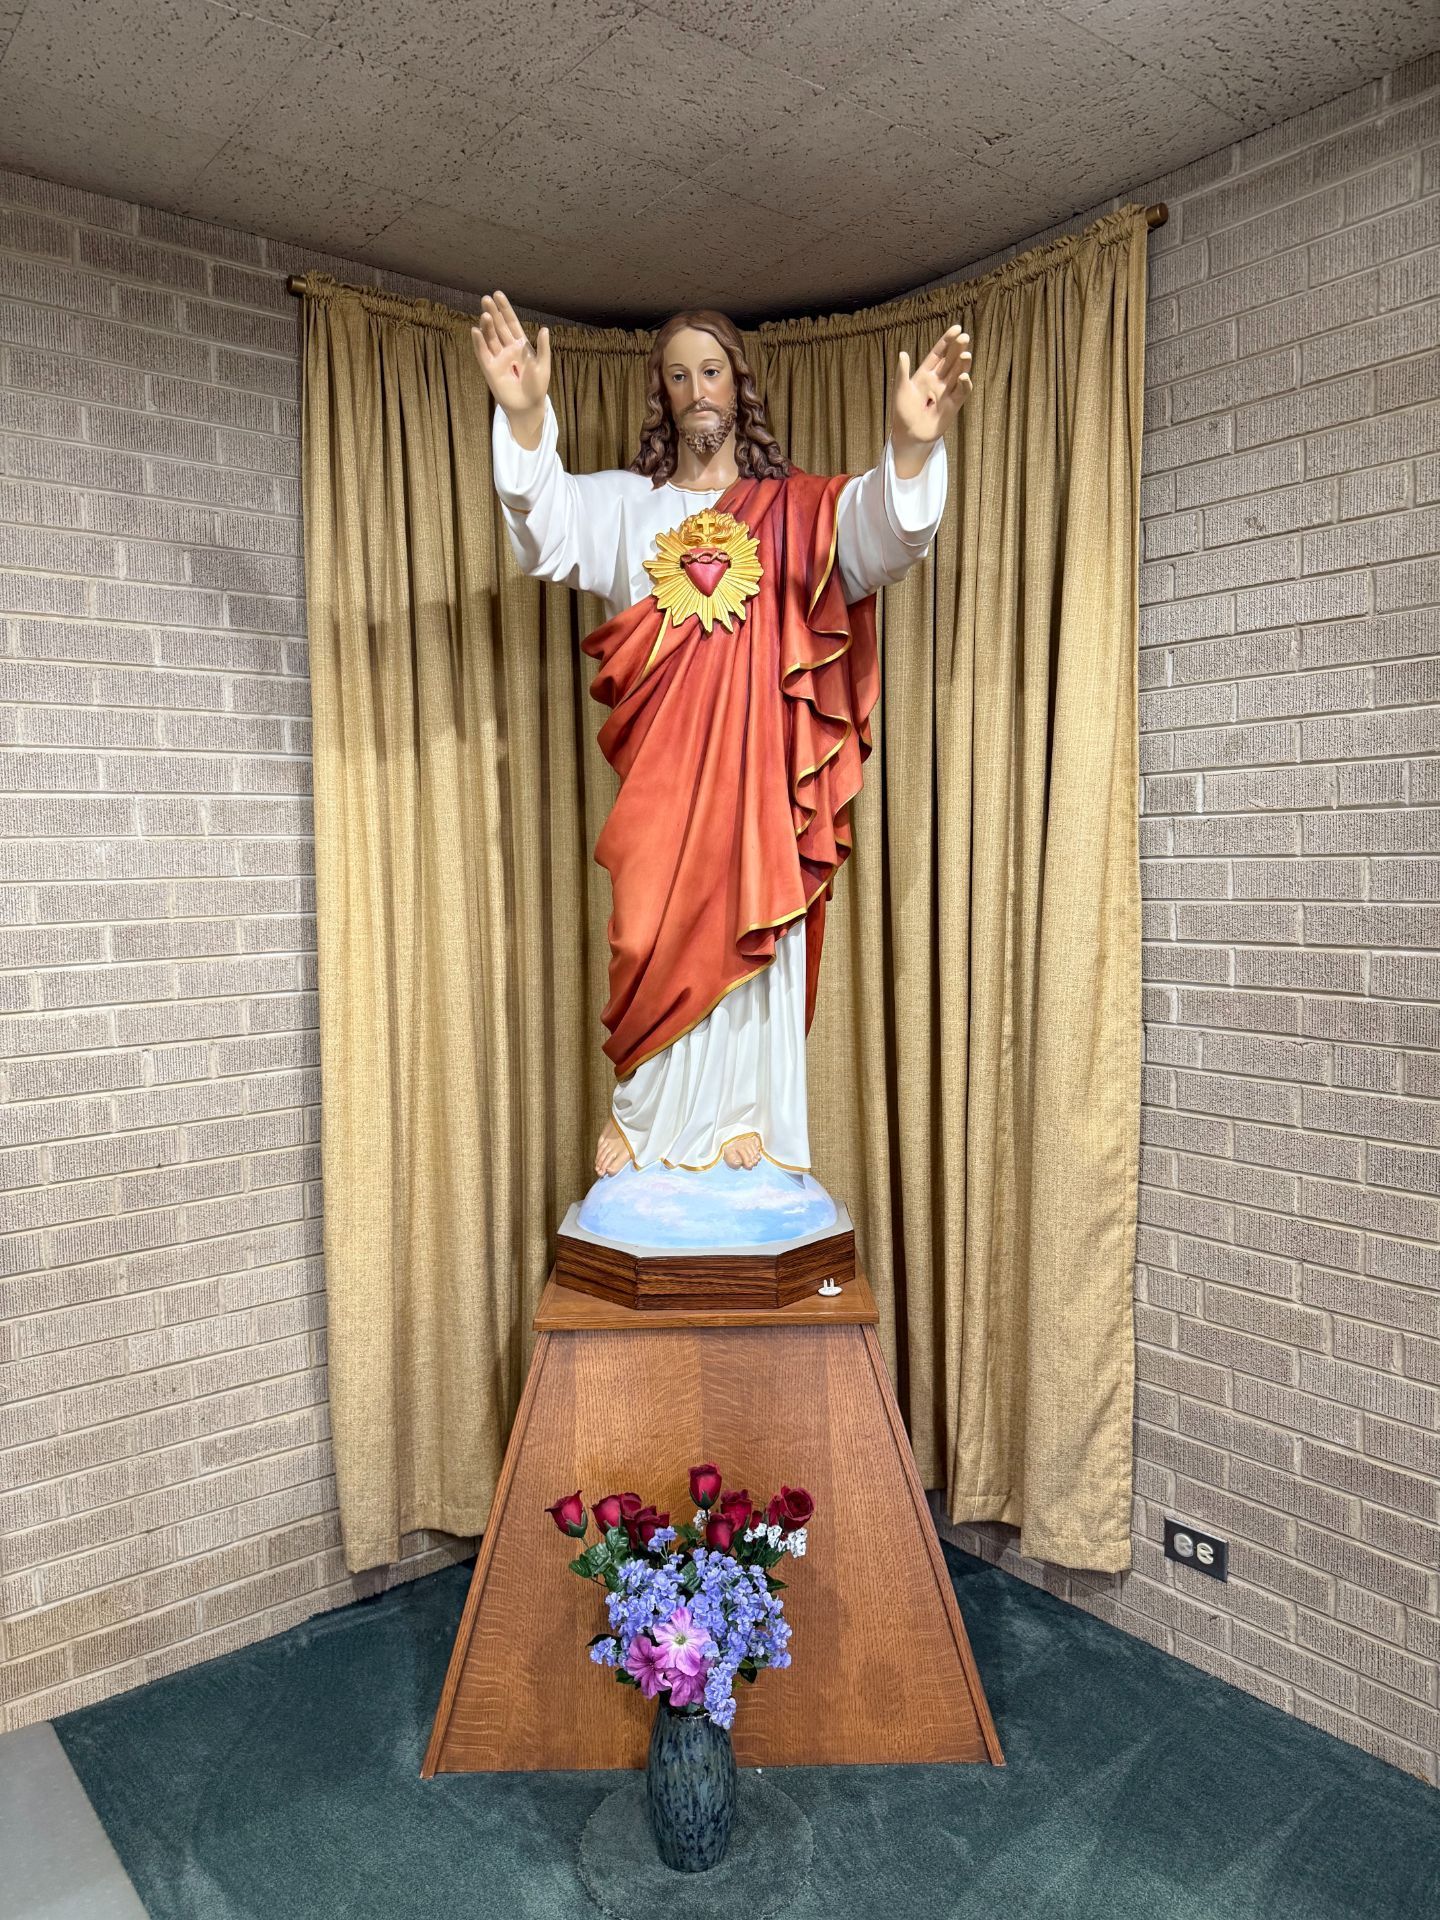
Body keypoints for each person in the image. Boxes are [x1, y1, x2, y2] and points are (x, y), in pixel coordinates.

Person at [472, 292, 971, 1182]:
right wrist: (524, 413)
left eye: (711, 371)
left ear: (740, 388)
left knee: (752, 915)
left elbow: (881, 537)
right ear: (660, 396)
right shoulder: (628, 508)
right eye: (677, 376)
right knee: (645, 931)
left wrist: (910, 448)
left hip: (755, 785)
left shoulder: (797, 511)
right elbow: (544, 529)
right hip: (660, 785)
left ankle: (747, 1110)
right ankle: (644, 1109)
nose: (696, 389)